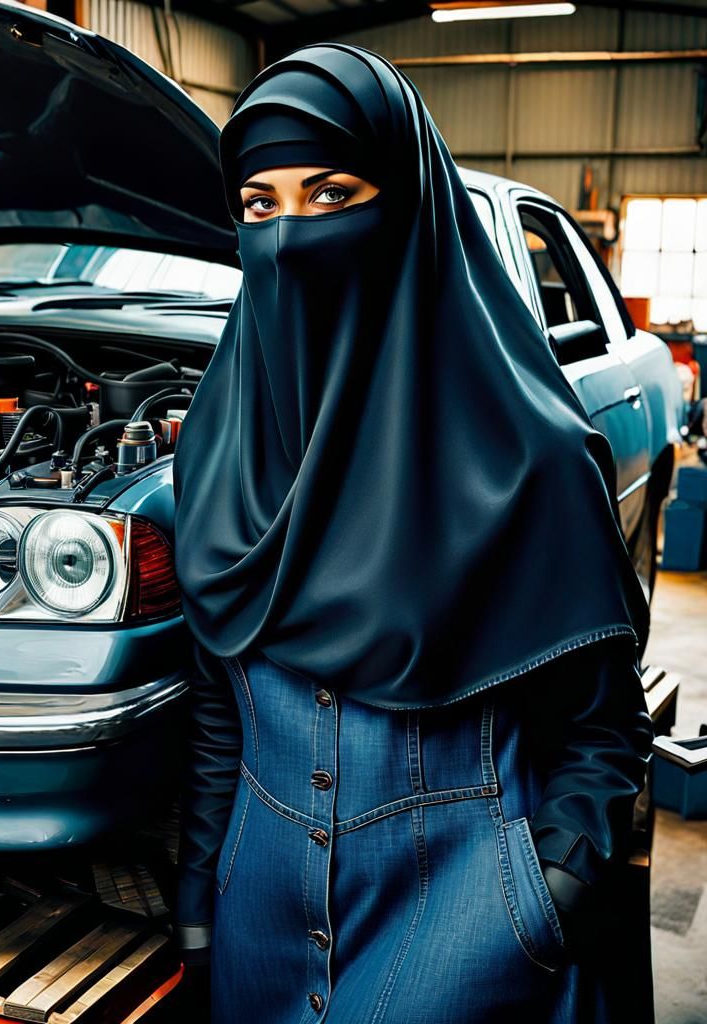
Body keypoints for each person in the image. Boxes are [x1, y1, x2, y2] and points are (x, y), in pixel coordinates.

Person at [169, 43, 656, 1023]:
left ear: (411, 212)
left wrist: (538, 902)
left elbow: (602, 733)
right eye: (259, 207)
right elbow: (222, 707)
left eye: (333, 193)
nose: (290, 237)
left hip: (467, 927)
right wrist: (197, 907)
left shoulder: (532, 459)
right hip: (253, 924)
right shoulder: (217, 452)